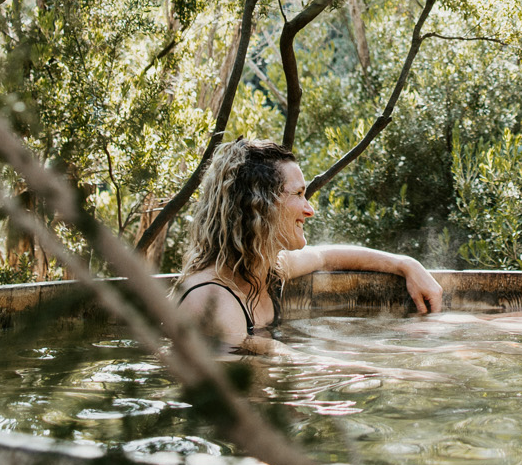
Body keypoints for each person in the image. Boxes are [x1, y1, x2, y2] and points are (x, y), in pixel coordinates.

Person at [172, 137, 443, 344]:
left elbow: (325, 257)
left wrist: (406, 265)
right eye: (299, 194)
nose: (310, 210)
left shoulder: (265, 269)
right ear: (261, 206)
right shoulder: (212, 299)